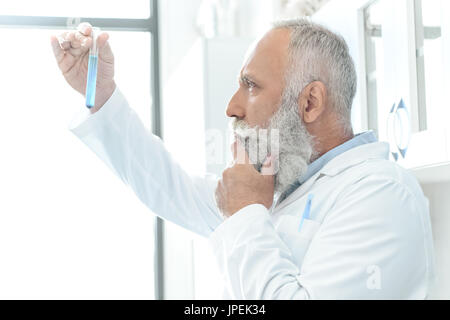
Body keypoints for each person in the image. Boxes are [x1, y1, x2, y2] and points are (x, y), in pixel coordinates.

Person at [51, 19, 435, 299]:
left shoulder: (381, 193)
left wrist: (249, 212)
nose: (232, 108)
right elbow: (169, 188)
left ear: (310, 102)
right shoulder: (284, 188)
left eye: (250, 85)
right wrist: (101, 95)